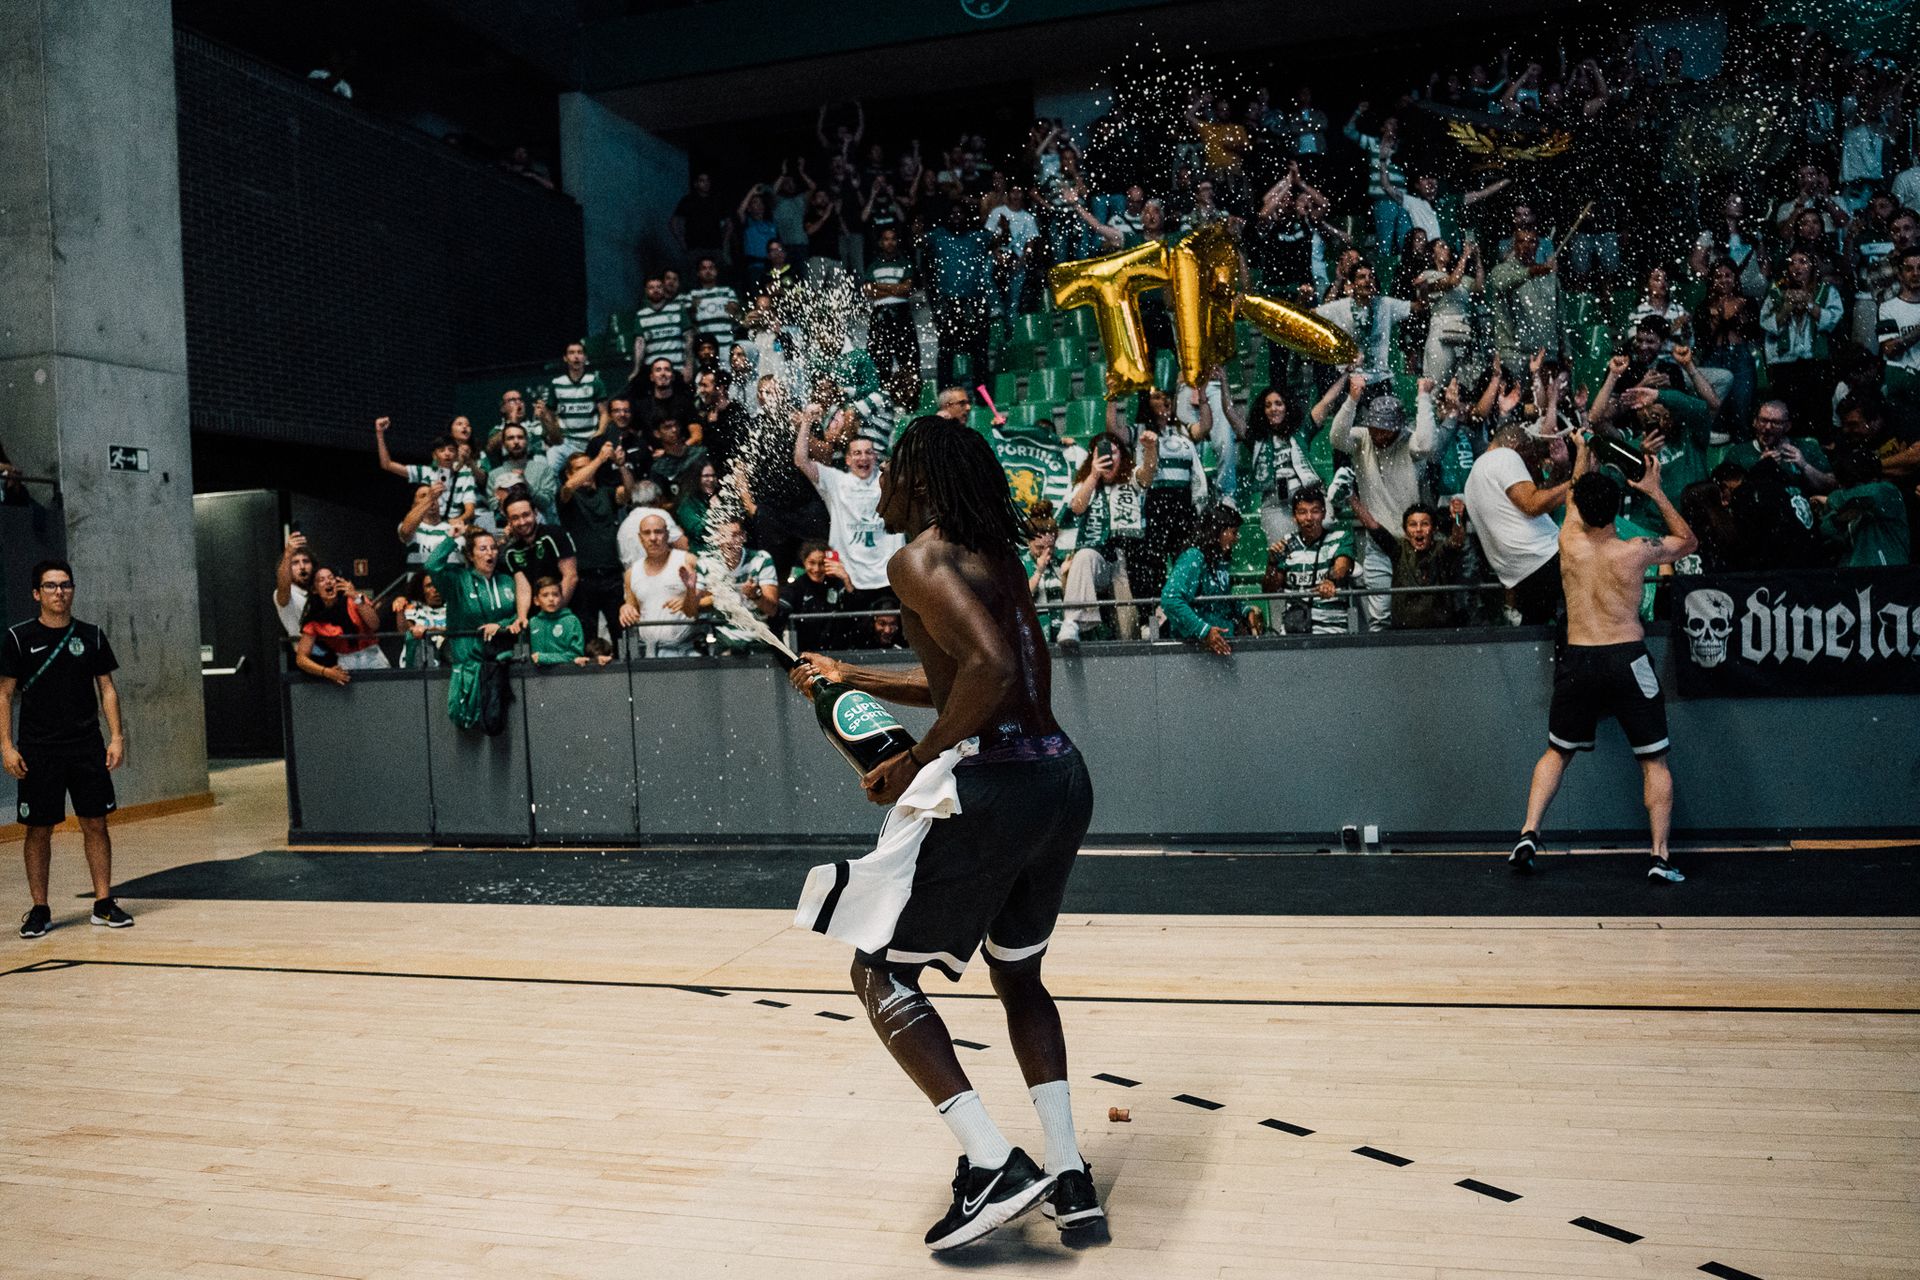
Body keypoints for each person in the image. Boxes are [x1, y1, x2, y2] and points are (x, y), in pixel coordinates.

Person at [784, 415, 1099, 1251]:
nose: (876, 484)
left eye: (889, 470)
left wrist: (916, 758)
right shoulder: (988, 556)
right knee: (1020, 977)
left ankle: (994, 1167)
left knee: (879, 971)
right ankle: (1070, 1176)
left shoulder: (915, 559)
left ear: (917, 482)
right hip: (1061, 777)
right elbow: (976, 675)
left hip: (997, 786)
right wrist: (852, 675)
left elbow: (988, 674)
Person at [1511, 441, 1697, 883]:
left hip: (1579, 659)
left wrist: (1580, 449)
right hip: (1627, 657)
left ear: (1579, 507)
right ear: (1616, 509)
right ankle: (1660, 856)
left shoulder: (1568, 542)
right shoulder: (1636, 551)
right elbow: (1688, 542)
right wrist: (1654, 490)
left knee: (1557, 751)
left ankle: (1529, 832)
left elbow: (1576, 495)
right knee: (1654, 762)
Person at [2, 560, 131, 937]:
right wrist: (6, 746)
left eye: (65, 585)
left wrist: (117, 736)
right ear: (36, 593)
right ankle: (40, 909)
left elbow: (106, 687)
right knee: (38, 829)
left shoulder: (90, 636)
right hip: (38, 750)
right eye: (51, 586)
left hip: (86, 747)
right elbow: (5, 693)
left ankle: (104, 904)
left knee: (96, 822)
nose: (59, 592)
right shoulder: (18, 638)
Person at [1464, 416, 1571, 626]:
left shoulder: (1473, 478)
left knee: (1541, 638)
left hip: (1520, 577)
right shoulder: (1505, 456)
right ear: (1516, 445)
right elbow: (1532, 505)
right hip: (1545, 560)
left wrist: (1559, 469)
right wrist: (1578, 480)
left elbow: (1536, 509)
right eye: (1528, 452)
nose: (1531, 461)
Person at [793, 421, 905, 617]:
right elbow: (801, 460)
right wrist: (806, 421)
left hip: (889, 578)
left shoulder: (890, 481)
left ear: (875, 456)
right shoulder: (836, 481)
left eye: (868, 452)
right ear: (847, 460)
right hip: (851, 579)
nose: (863, 457)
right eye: (857, 453)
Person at [426, 529, 521, 733]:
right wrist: (452, 538)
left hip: (503, 661)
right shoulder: (458, 580)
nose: (490, 553)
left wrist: (501, 625)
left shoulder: (507, 581)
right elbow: (432, 565)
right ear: (470, 555)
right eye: (483, 548)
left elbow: (519, 614)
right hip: (470, 664)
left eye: (494, 548)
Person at [1349, 496, 1468, 629]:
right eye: (1413, 525)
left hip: (1440, 634)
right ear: (1405, 531)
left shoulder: (1440, 550)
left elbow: (1457, 541)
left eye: (1424, 524)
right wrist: (1350, 498)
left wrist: (1457, 518)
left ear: (1434, 529)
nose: (1418, 529)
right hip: (1404, 636)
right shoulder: (1399, 550)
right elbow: (1373, 526)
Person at [1163, 505, 1262, 655]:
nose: (1236, 539)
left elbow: (1221, 600)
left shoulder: (1218, 561)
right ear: (1218, 531)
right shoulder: (1193, 557)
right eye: (1233, 533)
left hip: (1222, 646)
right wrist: (1203, 631)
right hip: (1196, 652)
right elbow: (1170, 600)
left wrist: (1244, 611)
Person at [1264, 488, 1354, 635]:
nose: (1309, 518)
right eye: (1302, 512)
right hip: (1294, 630)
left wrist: (1330, 581)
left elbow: (1341, 567)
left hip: (1332, 630)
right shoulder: (1287, 544)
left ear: (1324, 513)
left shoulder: (1340, 538)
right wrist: (1272, 562)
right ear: (1294, 516)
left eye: (1315, 511)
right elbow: (1269, 589)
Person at [618, 513, 701, 658]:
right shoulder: (632, 573)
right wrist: (625, 609)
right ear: (640, 538)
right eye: (647, 533)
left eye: (658, 532)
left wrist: (689, 599)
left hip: (687, 652)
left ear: (667, 535)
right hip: (650, 654)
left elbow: (717, 597)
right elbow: (632, 607)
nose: (653, 538)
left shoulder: (688, 561)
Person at [292, 566, 388, 678]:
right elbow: (301, 659)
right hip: (346, 663)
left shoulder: (355, 600)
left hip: (373, 656)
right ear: (314, 589)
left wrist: (356, 597)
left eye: (331, 578)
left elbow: (374, 625)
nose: (328, 582)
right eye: (322, 580)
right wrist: (326, 672)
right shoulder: (315, 619)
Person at [528, 578, 589, 666]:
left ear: (561, 598)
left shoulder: (571, 621)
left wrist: (544, 658)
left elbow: (576, 655)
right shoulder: (533, 622)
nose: (551, 599)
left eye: (555, 595)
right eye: (545, 595)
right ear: (536, 601)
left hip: (564, 675)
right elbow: (526, 655)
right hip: (535, 677)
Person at [273, 530, 315, 637]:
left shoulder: (317, 591)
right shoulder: (286, 594)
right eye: (295, 562)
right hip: (303, 649)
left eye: (306, 561)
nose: (302, 566)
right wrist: (288, 555)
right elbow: (283, 584)